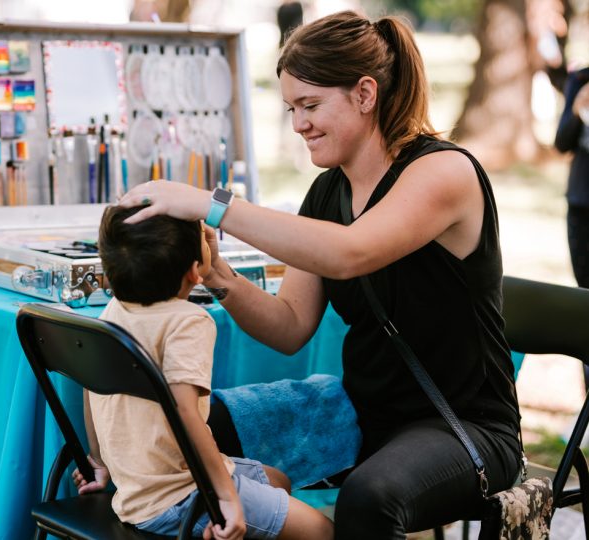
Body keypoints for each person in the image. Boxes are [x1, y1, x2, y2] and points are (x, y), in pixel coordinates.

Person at [118, 10, 522, 538]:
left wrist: (210, 203)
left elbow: (350, 253)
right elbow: (289, 326)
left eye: (310, 105)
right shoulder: (327, 191)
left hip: (464, 426)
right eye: (291, 107)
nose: (298, 124)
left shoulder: (444, 172)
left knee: (368, 499)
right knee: (175, 427)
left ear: (365, 94)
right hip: (360, 411)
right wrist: (220, 277)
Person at [73, 205, 334, 540]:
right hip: (180, 498)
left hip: (139, 488)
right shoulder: (188, 321)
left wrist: (98, 460)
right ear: (195, 271)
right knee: (322, 530)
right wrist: (224, 498)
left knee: (278, 481)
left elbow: (90, 383)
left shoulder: (114, 311)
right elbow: (186, 414)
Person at [554, 66, 589, 290]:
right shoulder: (580, 79)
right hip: (581, 199)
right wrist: (577, 109)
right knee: (584, 285)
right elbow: (562, 143)